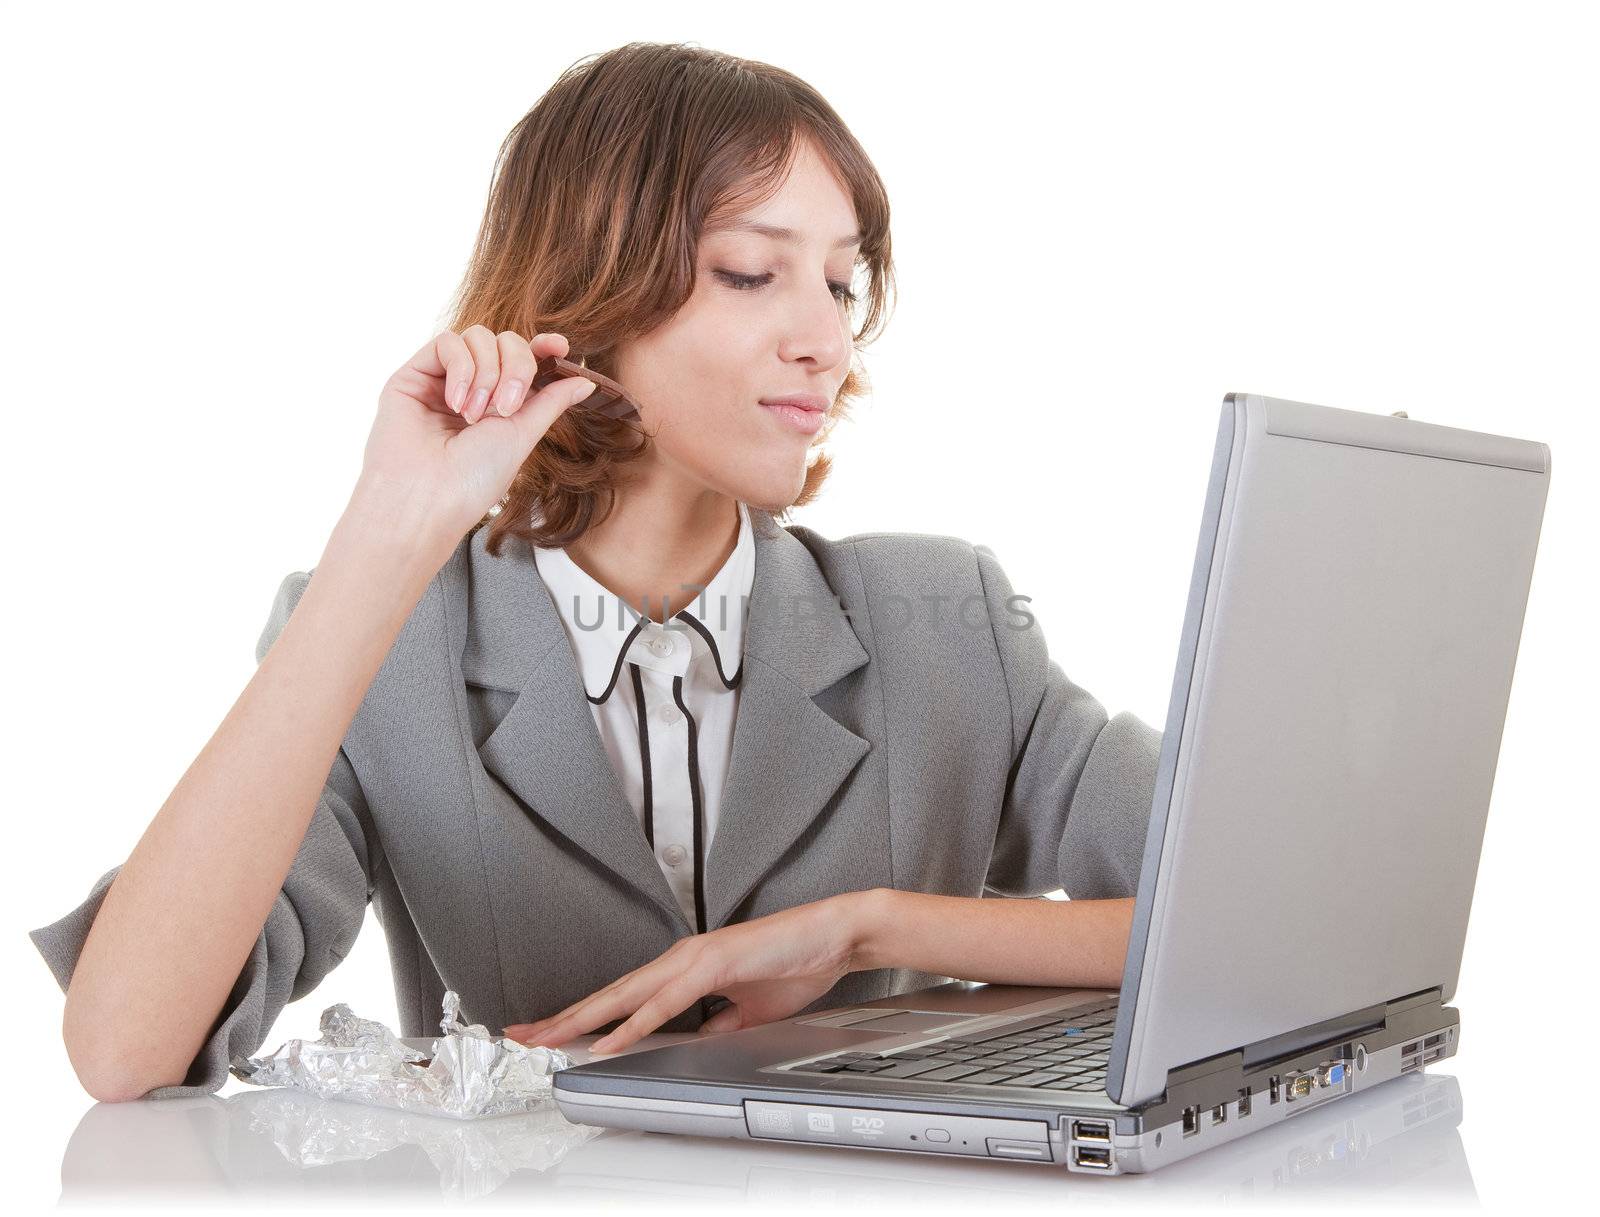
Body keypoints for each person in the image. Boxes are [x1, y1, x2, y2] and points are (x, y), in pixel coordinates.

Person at [29, 42, 1162, 1102]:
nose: (826, 336)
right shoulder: (399, 637)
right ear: (594, 291)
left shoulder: (943, 619)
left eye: (842, 282)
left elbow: (1270, 906)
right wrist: (389, 532)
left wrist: (872, 929)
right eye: (751, 271)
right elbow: (128, 1044)